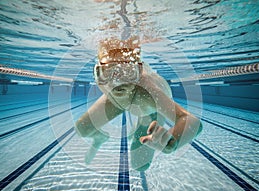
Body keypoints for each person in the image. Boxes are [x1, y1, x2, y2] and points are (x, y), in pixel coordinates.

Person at [75, 36, 202, 171]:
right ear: (97, 72)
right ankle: (100, 138)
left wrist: (174, 141)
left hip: (150, 110)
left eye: (127, 72)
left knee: (140, 165)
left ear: (139, 73)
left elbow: (193, 122)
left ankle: (141, 123)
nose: (118, 82)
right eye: (108, 72)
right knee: (82, 128)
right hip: (122, 100)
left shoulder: (148, 94)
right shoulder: (107, 84)